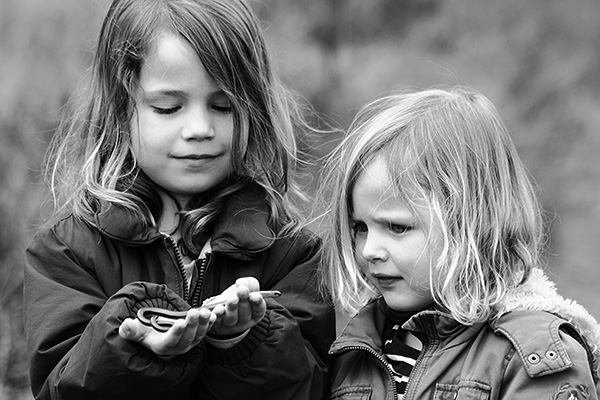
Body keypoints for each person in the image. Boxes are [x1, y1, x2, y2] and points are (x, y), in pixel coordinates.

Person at [23, 0, 335, 399]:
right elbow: (59, 390)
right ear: (121, 110)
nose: (200, 128)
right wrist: (133, 343)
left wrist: (243, 340)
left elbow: (310, 388)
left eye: (223, 106)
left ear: (254, 109)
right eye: (169, 107)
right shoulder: (65, 253)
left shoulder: (292, 253)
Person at [317, 87, 600, 399]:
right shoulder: (356, 348)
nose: (369, 250)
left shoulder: (534, 354)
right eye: (360, 227)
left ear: (470, 223)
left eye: (397, 227)